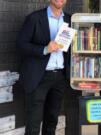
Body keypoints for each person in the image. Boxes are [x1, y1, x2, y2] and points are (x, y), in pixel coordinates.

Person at [17, 0, 71, 135]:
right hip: (38, 78)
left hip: (60, 77)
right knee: (33, 124)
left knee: (52, 122)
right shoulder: (34, 18)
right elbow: (21, 44)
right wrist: (45, 49)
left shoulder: (70, 19)